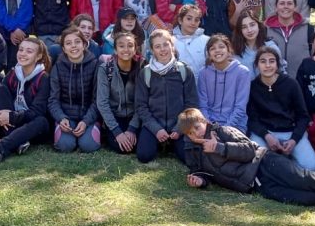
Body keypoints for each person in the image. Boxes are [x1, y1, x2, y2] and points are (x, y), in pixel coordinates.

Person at [180, 108, 315, 206]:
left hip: (264, 163)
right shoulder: (194, 153)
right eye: (190, 133)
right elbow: (202, 173)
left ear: (204, 121)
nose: (195, 133)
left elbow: (249, 150)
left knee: (308, 181)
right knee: (303, 198)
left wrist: (219, 147)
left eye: (197, 127)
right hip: (255, 184)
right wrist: (200, 181)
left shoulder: (223, 131)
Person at [0, 37, 53, 164]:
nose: (23, 54)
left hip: (32, 127)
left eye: (29, 51)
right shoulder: (13, 73)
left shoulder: (44, 78)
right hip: (11, 124)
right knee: (0, 89)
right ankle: (18, 141)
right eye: (21, 49)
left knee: (41, 121)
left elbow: (37, 112)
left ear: (38, 56)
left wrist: (11, 116)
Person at [247, 46, 315, 170]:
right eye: (263, 61)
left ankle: (285, 168)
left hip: (290, 132)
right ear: (257, 65)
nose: (267, 65)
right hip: (264, 133)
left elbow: (303, 116)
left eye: (272, 61)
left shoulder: (291, 84)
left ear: (277, 64)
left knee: (312, 167)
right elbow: (252, 119)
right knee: (254, 163)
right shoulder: (253, 87)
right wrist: (266, 136)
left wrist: (294, 140)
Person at [134, 29, 198, 163]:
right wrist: (156, 129)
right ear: (152, 50)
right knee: (144, 156)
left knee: (188, 158)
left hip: (179, 125)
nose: (162, 49)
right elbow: (141, 106)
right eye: (157, 46)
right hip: (154, 124)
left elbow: (191, 104)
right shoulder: (145, 73)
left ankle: (171, 143)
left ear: (172, 45)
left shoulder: (184, 71)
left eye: (165, 44)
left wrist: (179, 128)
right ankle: (162, 142)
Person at [48, 26, 101, 153]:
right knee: (65, 146)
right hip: (66, 116)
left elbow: (98, 99)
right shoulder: (58, 67)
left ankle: (95, 128)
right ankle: (61, 128)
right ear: (64, 49)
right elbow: (53, 100)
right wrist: (61, 118)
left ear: (84, 45)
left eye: (77, 42)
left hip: (88, 115)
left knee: (89, 145)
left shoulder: (95, 65)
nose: (73, 46)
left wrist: (86, 121)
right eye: (68, 43)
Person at [95, 31, 142, 154]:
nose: (126, 49)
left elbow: (143, 102)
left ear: (135, 48)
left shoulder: (142, 68)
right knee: (120, 147)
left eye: (130, 45)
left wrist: (132, 128)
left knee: (138, 146)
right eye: (121, 46)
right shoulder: (105, 69)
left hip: (136, 116)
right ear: (115, 49)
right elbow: (102, 102)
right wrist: (117, 132)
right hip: (115, 116)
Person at [198, 35, 250, 132]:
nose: (217, 50)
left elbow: (240, 107)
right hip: (209, 125)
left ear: (229, 50)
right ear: (209, 54)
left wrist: (225, 129)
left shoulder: (242, 72)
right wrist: (209, 125)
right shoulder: (203, 73)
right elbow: (203, 105)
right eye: (212, 48)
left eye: (221, 47)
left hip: (235, 126)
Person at [264, 0, 312, 79]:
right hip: (274, 83)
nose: (285, 7)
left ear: (295, 6)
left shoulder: (308, 29)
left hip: (302, 83)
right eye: (282, 3)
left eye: (289, 3)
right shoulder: (265, 30)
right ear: (276, 7)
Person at [231, 12, 282, 79]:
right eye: (244, 27)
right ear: (240, 30)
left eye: (252, 25)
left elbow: (281, 72)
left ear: (259, 26)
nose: (249, 30)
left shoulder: (271, 47)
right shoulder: (235, 52)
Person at [173, 4, 210, 76]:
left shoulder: (207, 41)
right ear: (180, 20)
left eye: (196, 20)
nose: (193, 23)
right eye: (189, 19)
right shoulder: (171, 41)